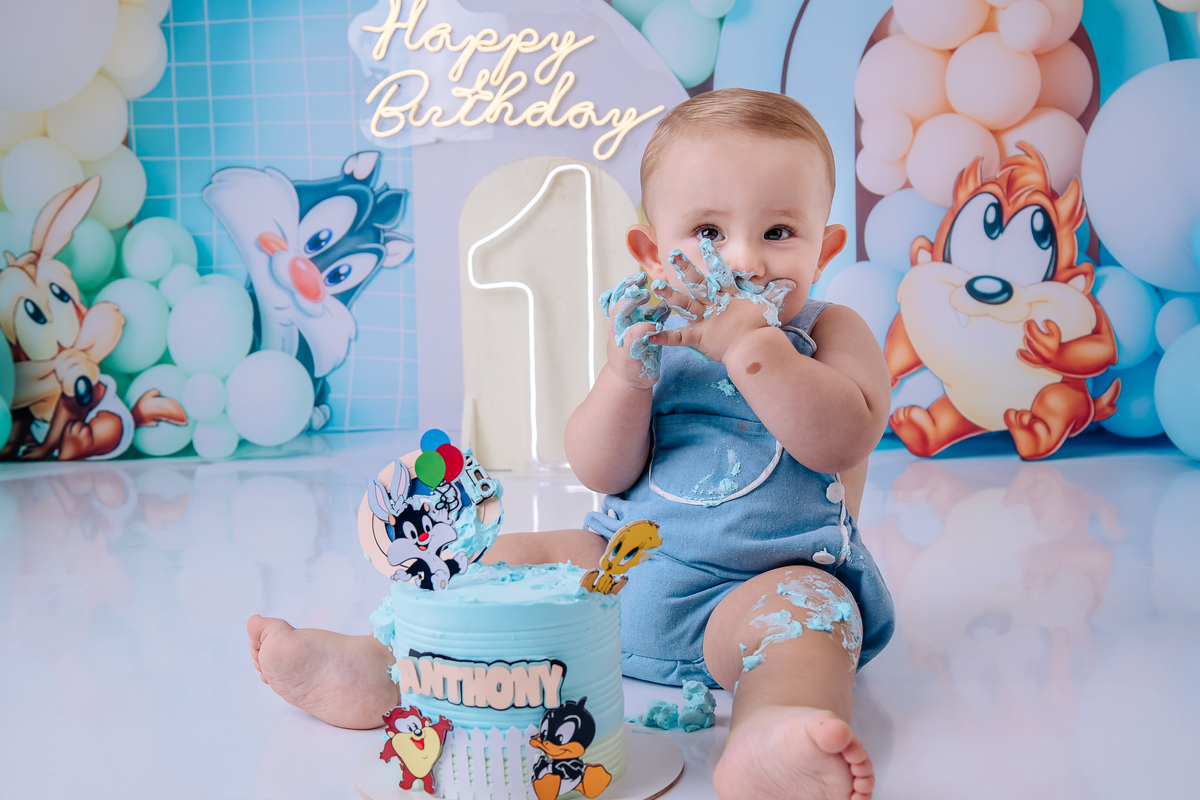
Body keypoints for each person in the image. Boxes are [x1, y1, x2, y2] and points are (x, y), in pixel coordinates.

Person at [248, 88, 893, 800]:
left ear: (825, 248)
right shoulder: (657, 338)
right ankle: (386, 664)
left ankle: (772, 732)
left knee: (812, 619)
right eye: (708, 231)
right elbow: (601, 469)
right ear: (652, 254)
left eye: (778, 232)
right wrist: (625, 379)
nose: (744, 259)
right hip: (621, 570)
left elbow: (840, 440)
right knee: (508, 554)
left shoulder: (831, 332)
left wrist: (753, 349)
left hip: (761, 591)